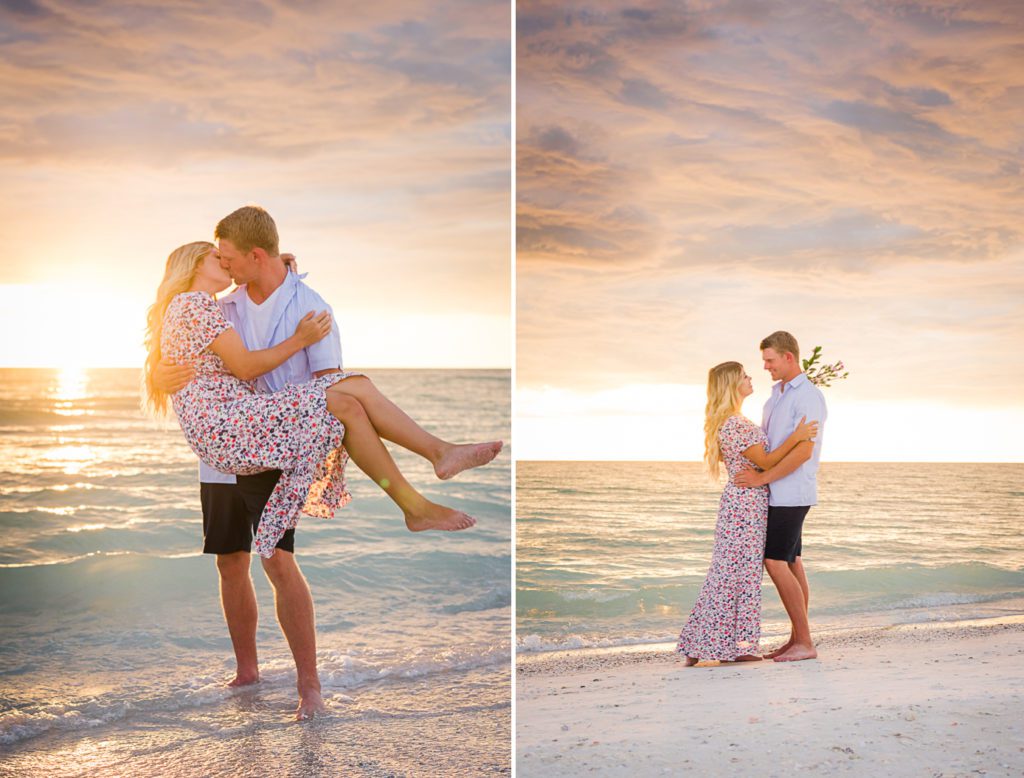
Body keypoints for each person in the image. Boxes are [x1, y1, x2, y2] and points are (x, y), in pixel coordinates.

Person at [144, 207, 502, 719]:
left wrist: (288, 299)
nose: (224, 264)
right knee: (230, 562)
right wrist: (158, 372)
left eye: (228, 257)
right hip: (228, 443)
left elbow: (330, 387)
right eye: (216, 258)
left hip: (269, 438)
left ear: (254, 256)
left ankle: (308, 686)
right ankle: (248, 672)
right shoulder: (214, 303)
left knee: (278, 558)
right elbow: (200, 355)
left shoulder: (305, 305)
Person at [677, 361, 817, 665]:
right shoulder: (736, 424)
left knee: (728, 573)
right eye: (744, 376)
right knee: (737, 574)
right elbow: (765, 461)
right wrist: (797, 436)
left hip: (743, 503)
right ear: (732, 385)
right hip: (747, 504)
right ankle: (729, 647)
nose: (751, 377)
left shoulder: (731, 421)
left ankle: (704, 646)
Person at [734, 331, 827, 662]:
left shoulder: (808, 397)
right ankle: (796, 639)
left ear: (789, 357)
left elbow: (803, 452)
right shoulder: (775, 397)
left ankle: (805, 642)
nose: (765, 366)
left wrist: (762, 478)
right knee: (790, 561)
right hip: (777, 492)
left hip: (793, 491)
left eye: (770, 360)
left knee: (774, 560)